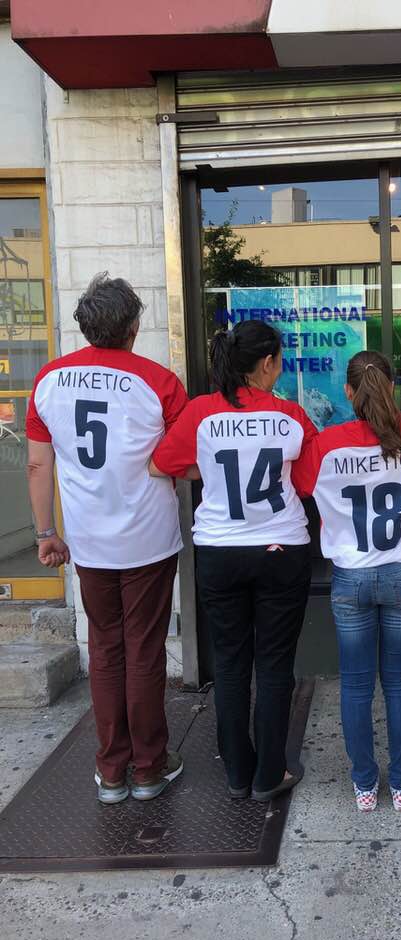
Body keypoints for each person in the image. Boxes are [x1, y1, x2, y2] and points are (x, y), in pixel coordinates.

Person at [25, 273, 188, 804]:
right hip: (148, 539)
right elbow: (181, 458)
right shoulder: (159, 382)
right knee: (144, 650)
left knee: (105, 648)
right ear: (134, 327)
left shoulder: (48, 379)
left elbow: (37, 465)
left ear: (85, 326)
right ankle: (149, 768)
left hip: (89, 541)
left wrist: (46, 533)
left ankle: (111, 770)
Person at [151, 320, 316, 802]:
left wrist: (209, 469)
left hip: (220, 552)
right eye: (279, 361)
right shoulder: (290, 416)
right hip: (281, 549)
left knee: (229, 662)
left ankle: (238, 773)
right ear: (266, 364)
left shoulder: (201, 412)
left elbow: (161, 464)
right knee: (275, 664)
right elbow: (308, 482)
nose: (280, 369)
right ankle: (270, 774)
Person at [293, 351, 401, 812]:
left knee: (355, 685)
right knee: (400, 682)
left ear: (348, 392)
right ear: (391, 388)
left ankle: (365, 785)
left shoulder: (326, 444)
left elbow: (302, 487)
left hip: (351, 575)